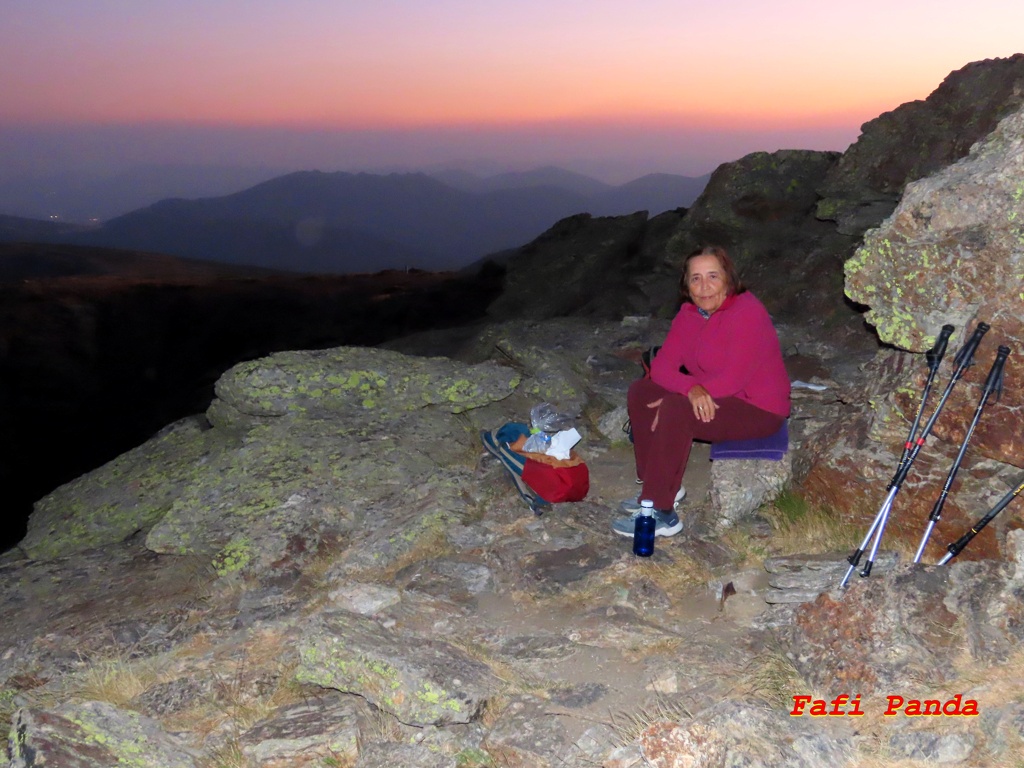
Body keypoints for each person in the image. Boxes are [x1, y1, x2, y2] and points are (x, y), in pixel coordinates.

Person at [612, 245, 791, 537]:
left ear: (729, 280)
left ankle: (661, 511)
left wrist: (681, 396)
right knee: (642, 392)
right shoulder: (689, 314)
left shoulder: (747, 313)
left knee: (675, 409)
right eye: (695, 278)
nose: (704, 286)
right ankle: (658, 483)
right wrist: (689, 388)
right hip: (714, 395)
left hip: (758, 408)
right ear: (686, 284)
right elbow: (661, 367)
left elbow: (733, 380)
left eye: (713, 276)